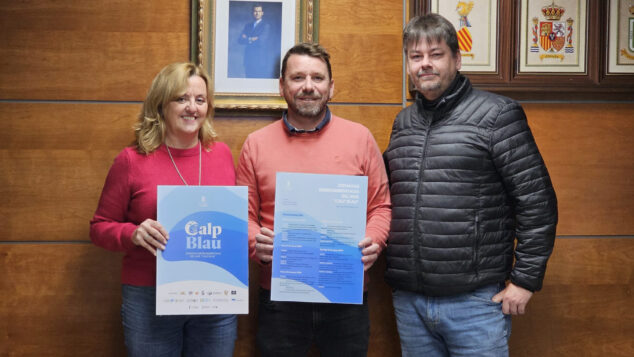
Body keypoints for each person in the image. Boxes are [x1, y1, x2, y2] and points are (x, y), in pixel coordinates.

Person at [383, 14, 558, 357]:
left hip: (475, 304)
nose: (425, 64)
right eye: (416, 57)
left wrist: (524, 281)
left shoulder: (498, 115)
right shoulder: (402, 123)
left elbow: (537, 203)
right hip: (410, 302)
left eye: (436, 54)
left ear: (457, 59)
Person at [236, 43, 391, 357]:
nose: (308, 86)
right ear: (282, 86)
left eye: (317, 78)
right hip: (281, 299)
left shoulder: (360, 138)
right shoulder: (255, 144)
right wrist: (256, 242)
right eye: (298, 78)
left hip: (346, 295)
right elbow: (243, 216)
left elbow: (380, 206)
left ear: (331, 87)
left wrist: (374, 240)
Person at [90, 62, 237, 357]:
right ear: (161, 104)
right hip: (150, 296)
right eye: (181, 98)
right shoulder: (132, 160)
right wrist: (133, 233)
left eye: (200, 99)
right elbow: (99, 227)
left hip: (214, 295)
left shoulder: (221, 154)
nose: (191, 108)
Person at [238, 3, 275, 78]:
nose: (257, 13)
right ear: (252, 13)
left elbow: (261, 41)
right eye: (255, 11)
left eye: (259, 11)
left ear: (262, 13)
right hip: (248, 59)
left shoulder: (266, 26)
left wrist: (247, 38)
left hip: (259, 60)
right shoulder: (247, 26)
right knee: (248, 82)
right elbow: (240, 40)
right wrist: (253, 38)